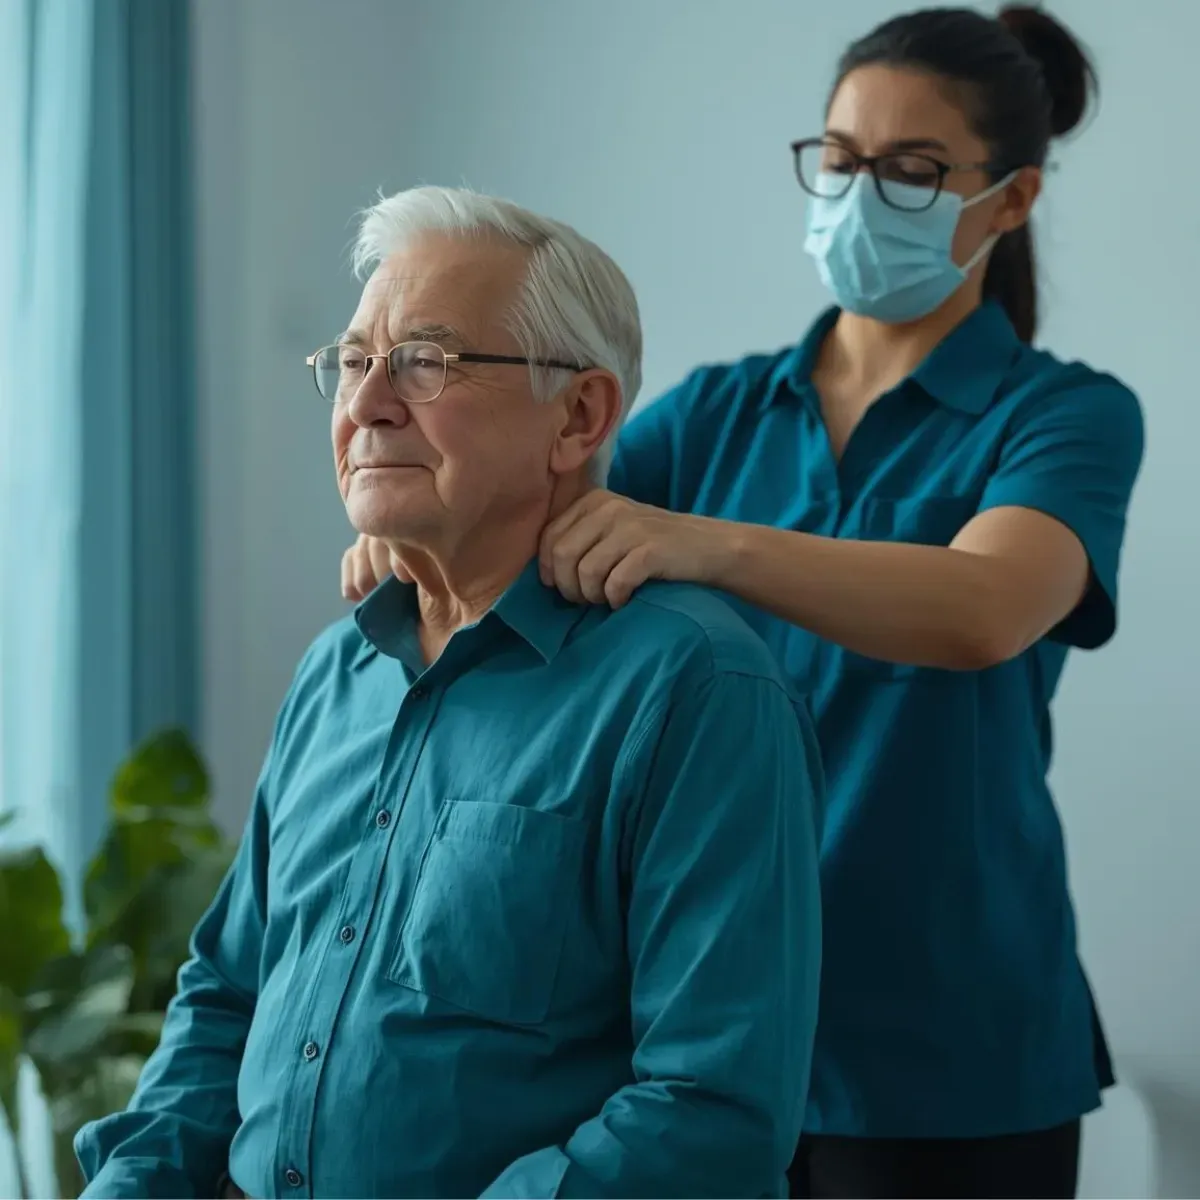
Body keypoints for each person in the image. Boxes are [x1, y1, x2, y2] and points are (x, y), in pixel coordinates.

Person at [342, 7, 1145, 1198]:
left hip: (942, 1046)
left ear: (1011, 199)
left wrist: (708, 545)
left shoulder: (1064, 415)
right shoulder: (720, 411)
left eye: (911, 171)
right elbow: (525, 522)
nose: (861, 195)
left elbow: (985, 607)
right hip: (690, 1025)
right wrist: (413, 524)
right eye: (841, 158)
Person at [75, 189, 825, 1198]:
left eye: (426, 361)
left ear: (579, 416)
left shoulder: (697, 689)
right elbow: (225, 994)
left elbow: (710, 1112)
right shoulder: (336, 672)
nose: (368, 404)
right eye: (354, 362)